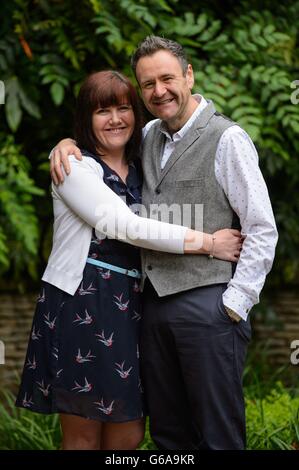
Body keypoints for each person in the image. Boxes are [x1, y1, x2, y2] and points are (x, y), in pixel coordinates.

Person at [50, 36, 278, 450]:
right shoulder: (148, 136)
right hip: (148, 308)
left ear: (189, 75)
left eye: (168, 78)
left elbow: (262, 227)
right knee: (169, 436)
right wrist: (68, 145)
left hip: (209, 305)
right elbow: (106, 164)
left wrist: (235, 303)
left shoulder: (227, 139)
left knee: (217, 434)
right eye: (148, 84)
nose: (159, 91)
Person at [16, 70, 242, 451]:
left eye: (124, 108)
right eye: (102, 111)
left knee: (129, 434)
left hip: (132, 307)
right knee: (85, 434)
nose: (115, 119)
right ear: (86, 119)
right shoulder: (75, 168)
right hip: (82, 304)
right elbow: (126, 225)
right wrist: (209, 243)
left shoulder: (142, 163)